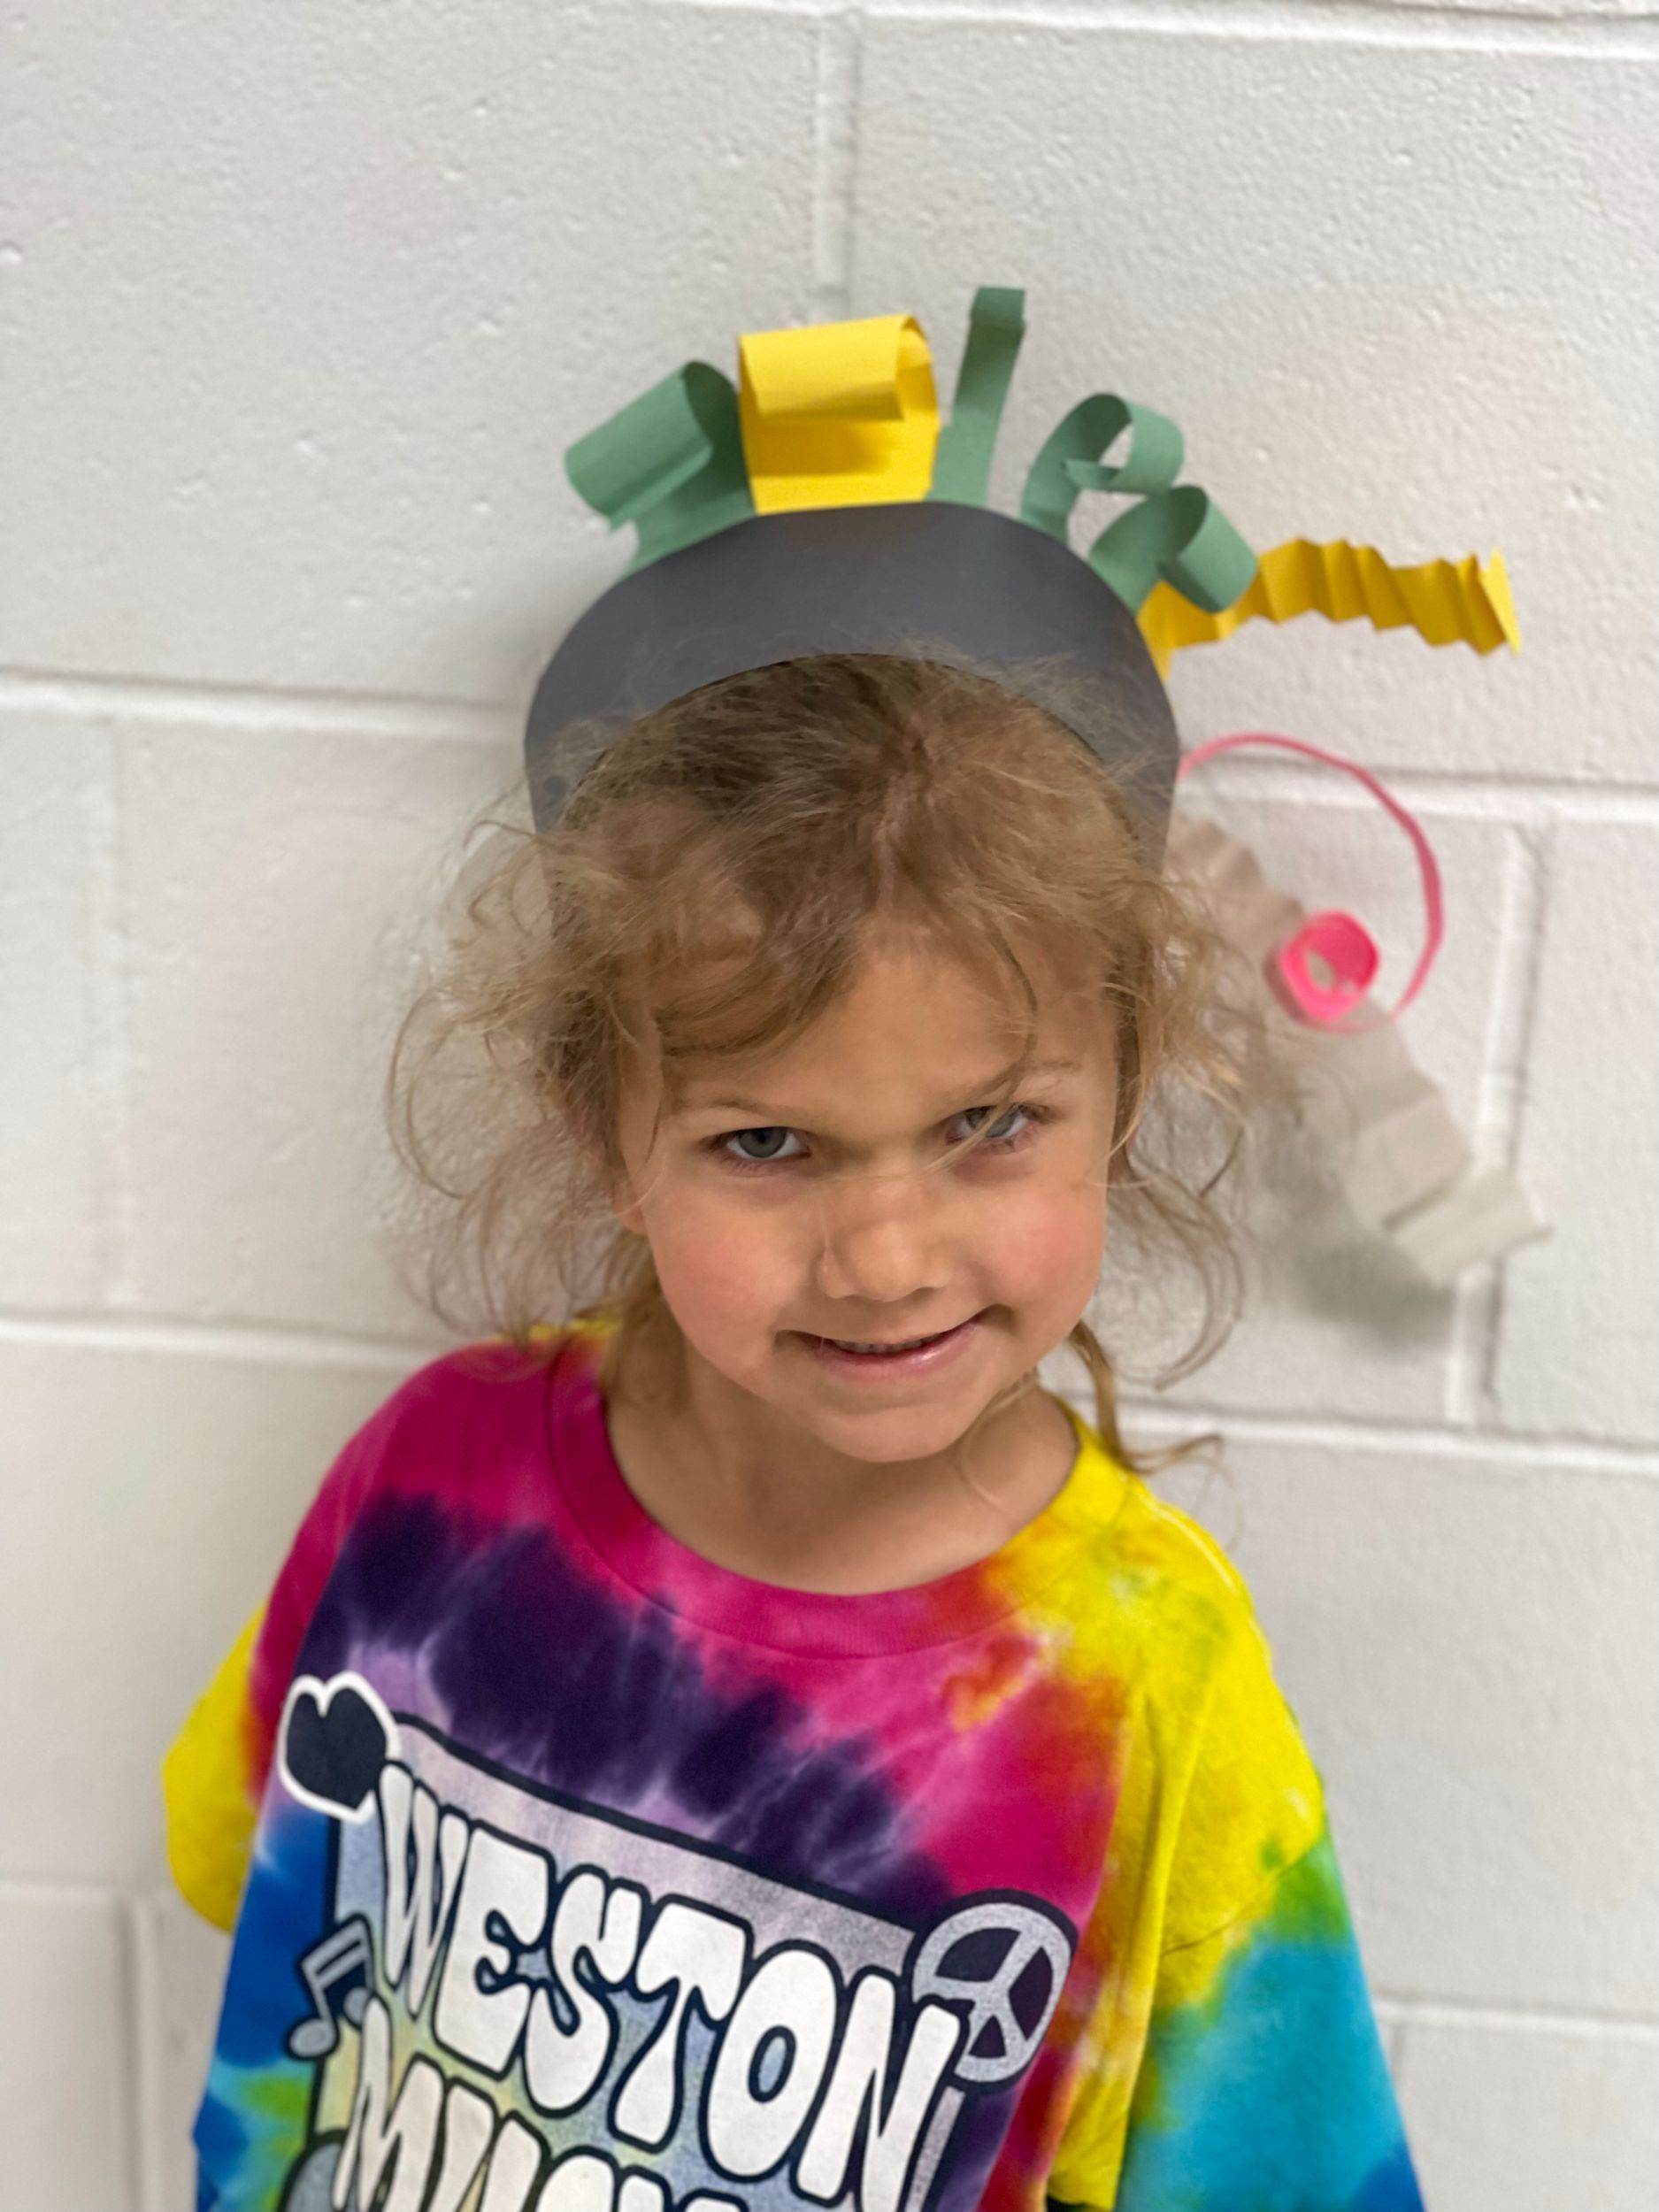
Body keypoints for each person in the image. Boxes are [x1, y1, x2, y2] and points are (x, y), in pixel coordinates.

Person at [162, 296, 1429, 2211]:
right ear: (606, 1129)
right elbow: (240, 1847)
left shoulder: (1142, 1679)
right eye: (766, 1142)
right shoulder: (433, 1478)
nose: (889, 1253)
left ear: (1123, 1086)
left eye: (988, 1122)